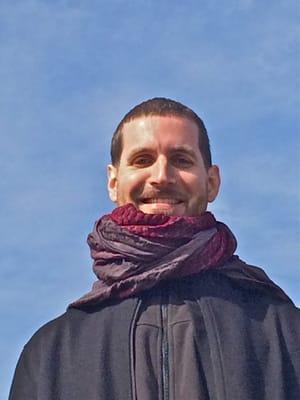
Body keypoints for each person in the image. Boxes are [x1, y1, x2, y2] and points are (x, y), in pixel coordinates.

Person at [9, 97, 300, 399]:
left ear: (211, 182)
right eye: (143, 160)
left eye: (182, 160)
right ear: (113, 181)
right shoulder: (52, 354)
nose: (162, 176)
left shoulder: (284, 334)